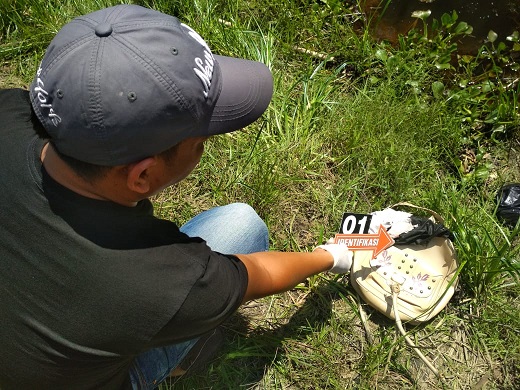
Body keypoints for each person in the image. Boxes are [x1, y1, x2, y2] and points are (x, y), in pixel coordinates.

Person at [0, 4, 352, 390]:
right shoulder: (169, 279)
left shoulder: (9, 112)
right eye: (201, 142)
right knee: (241, 225)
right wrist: (334, 255)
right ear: (143, 174)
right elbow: (260, 274)